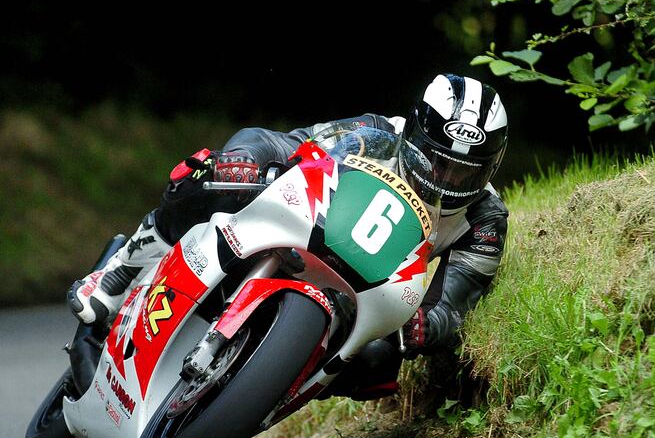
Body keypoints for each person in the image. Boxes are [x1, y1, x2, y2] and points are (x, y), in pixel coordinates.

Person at [67, 73, 510, 400]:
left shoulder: (486, 219)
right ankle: (117, 273)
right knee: (212, 180)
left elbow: (454, 306)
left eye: (464, 172)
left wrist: (424, 327)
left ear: (491, 168)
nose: (447, 180)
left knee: (379, 363)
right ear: (412, 136)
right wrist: (245, 160)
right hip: (306, 225)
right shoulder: (377, 133)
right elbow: (295, 143)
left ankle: (258, 403)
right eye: (435, 162)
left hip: (365, 292)